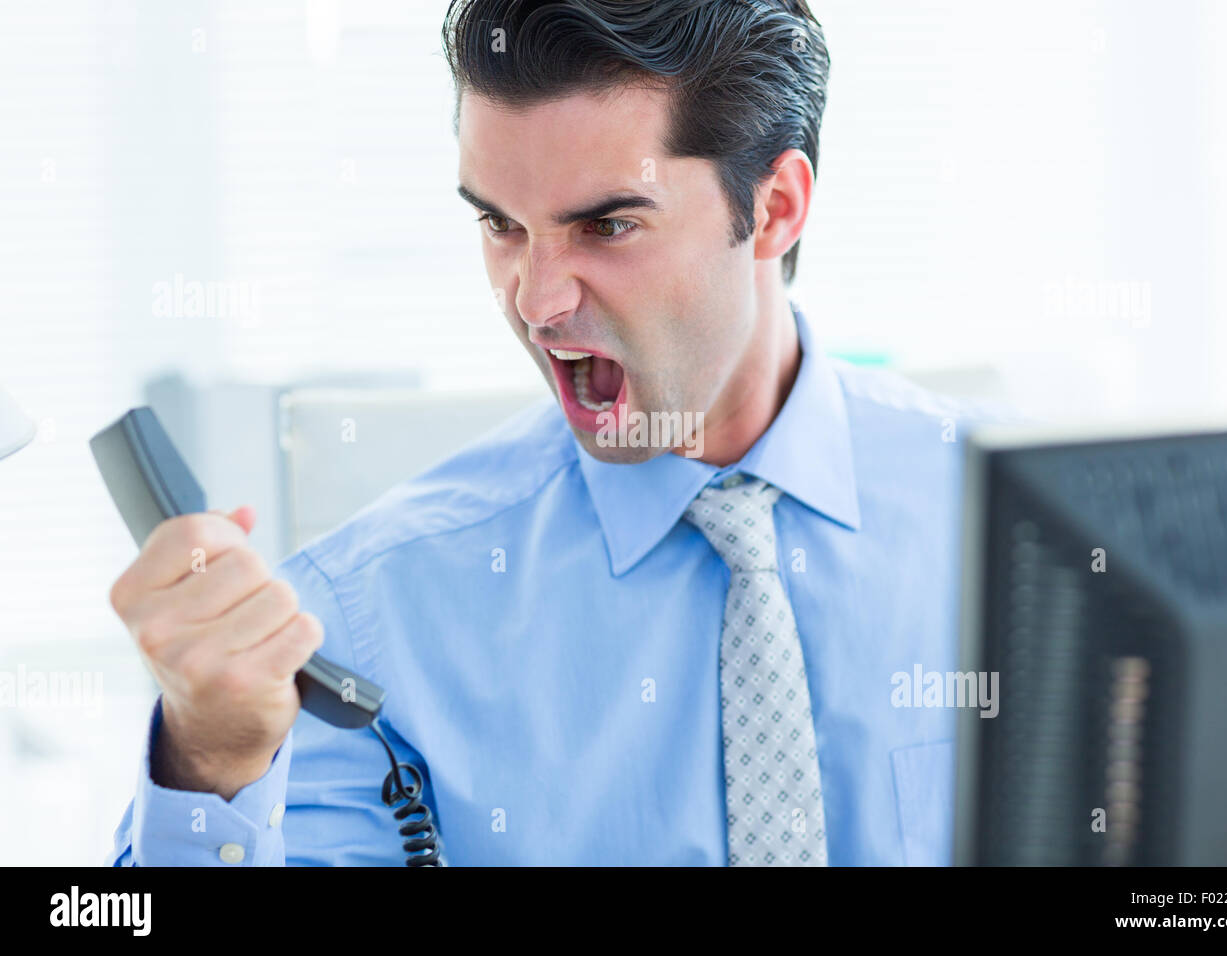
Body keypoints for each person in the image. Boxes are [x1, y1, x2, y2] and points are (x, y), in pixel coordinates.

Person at [108, 0, 979, 866]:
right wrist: (213, 762)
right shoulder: (356, 623)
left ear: (777, 208)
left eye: (607, 225)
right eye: (501, 225)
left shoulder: (1024, 529)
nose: (535, 301)